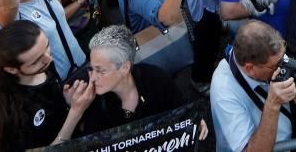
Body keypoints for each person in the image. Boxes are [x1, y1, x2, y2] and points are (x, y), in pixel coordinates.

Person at [75, 25, 207, 137]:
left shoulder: (155, 79)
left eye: (101, 71)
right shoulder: (96, 104)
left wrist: (194, 118)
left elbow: (180, 108)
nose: (92, 78)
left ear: (125, 68)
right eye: (91, 69)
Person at [210, 20, 296, 152]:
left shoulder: (270, 56)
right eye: (276, 65)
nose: (281, 67)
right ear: (250, 68)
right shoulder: (224, 92)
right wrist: (273, 104)